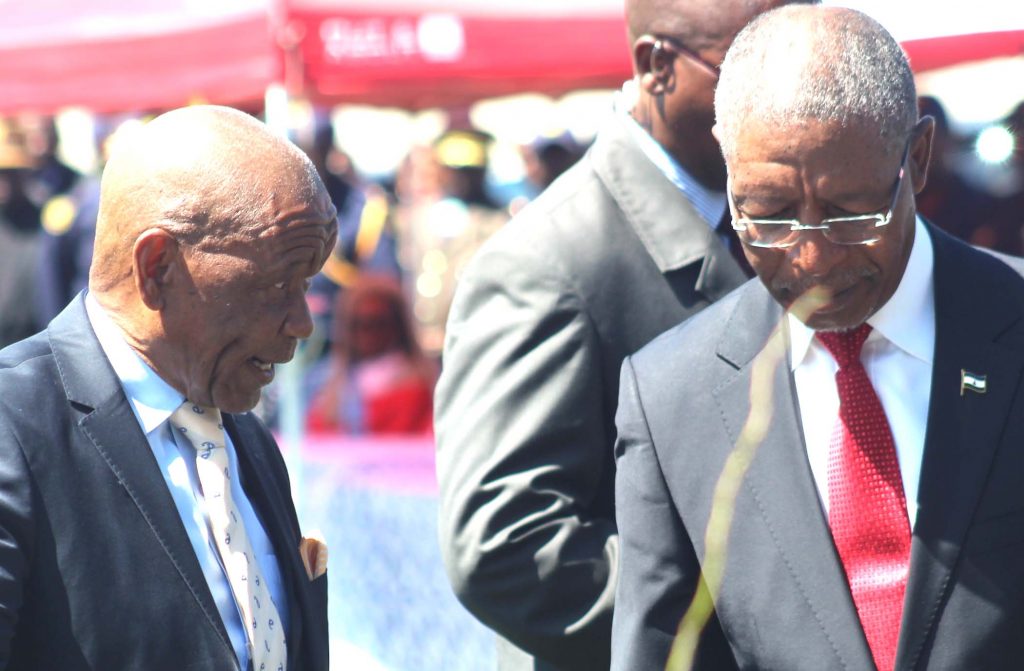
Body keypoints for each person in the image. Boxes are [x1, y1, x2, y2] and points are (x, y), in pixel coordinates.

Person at [612, 6, 1024, 670]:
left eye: (850, 212)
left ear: (917, 159)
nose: (811, 258)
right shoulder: (671, 399)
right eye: (768, 216)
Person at [433, 1, 814, 668]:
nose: (792, 99)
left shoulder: (783, 218)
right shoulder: (548, 261)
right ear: (655, 67)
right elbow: (505, 547)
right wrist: (743, 625)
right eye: (751, 70)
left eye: (806, 68)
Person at [0, 105, 335, 670]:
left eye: (306, 285)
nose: (302, 322)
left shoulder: (243, 437)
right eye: (277, 283)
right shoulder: (15, 429)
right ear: (157, 268)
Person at [307, 274, 435, 434]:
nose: (367, 334)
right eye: (359, 324)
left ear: (397, 326)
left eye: (378, 323)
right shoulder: (327, 386)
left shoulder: (416, 389)